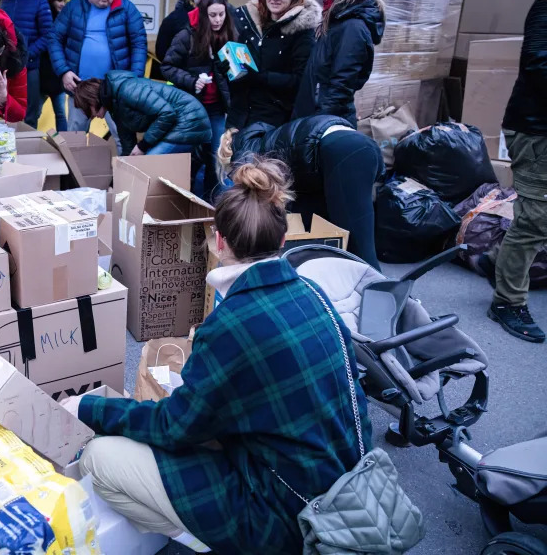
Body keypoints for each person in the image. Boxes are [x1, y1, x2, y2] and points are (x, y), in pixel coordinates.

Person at [62, 157, 371, 554]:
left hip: (290, 515)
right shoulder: (315, 293)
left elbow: (176, 426)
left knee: (100, 458)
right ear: (281, 241)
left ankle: (218, 543)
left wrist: (89, 407)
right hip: (348, 489)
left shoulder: (231, 324)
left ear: (218, 240)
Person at [223, 115, 385, 269]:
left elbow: (262, 205)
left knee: (359, 251)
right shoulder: (263, 140)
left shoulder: (245, 155)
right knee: (344, 237)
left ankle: (382, 295)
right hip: (353, 147)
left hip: (344, 153)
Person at [487, 0, 547, 343]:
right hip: (537, 130)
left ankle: (504, 266)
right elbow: (539, 64)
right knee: (535, 219)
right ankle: (507, 301)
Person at [48, 0, 147, 136]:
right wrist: (64, 71)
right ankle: (74, 164)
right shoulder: (74, 7)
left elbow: (139, 44)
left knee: (123, 138)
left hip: (116, 90)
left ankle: (122, 164)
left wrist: (133, 82)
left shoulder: (127, 9)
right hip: (79, 87)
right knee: (74, 139)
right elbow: (54, 38)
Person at [292, 0, 384, 127]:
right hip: (314, 117)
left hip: (322, 122)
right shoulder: (339, 22)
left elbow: (341, 86)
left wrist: (317, 125)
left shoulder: (353, 28)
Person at [162, 0, 235, 199]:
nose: (218, 20)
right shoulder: (187, 35)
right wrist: (192, 80)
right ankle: (187, 202)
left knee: (217, 159)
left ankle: (212, 207)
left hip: (217, 109)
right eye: (213, 15)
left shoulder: (229, 35)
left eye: (222, 14)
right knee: (189, 160)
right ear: (204, 14)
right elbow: (167, 66)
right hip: (191, 108)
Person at [231, 0, 320, 129]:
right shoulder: (248, 21)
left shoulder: (302, 31)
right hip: (239, 114)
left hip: (275, 121)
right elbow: (234, 63)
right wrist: (228, 65)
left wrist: (261, 77)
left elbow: (301, 80)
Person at [72, 71, 209, 156]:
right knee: (140, 162)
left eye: (87, 109)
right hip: (176, 124)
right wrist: (119, 176)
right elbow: (128, 146)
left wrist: (143, 145)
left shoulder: (127, 90)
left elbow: (166, 113)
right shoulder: (114, 106)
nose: (93, 116)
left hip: (189, 119)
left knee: (148, 163)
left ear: (92, 101)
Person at [0, 0, 53, 128]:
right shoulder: (5, 3)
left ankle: (29, 148)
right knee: (5, 111)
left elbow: (48, 34)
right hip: (6, 66)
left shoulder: (40, 2)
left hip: (29, 67)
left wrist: (28, 53)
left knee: (29, 114)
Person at [39, 0, 69, 132]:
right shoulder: (45, 19)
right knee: (34, 113)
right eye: (59, 0)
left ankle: (63, 145)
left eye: (64, 0)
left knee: (61, 114)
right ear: (51, 0)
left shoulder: (64, 19)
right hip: (44, 76)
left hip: (57, 77)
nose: (62, 4)